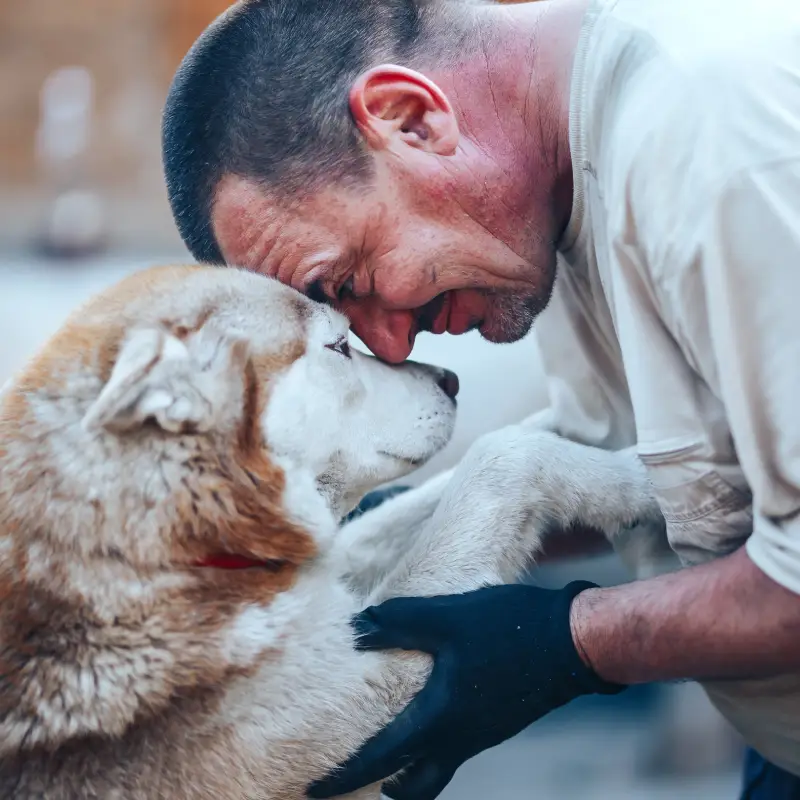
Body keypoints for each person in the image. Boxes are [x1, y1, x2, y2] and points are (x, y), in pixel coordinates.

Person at [160, 0, 800, 797]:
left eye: (350, 285)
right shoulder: (550, 182)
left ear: (411, 120)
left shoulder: (717, 145)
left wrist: (569, 646)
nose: (390, 347)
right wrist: (358, 541)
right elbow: (624, 469)